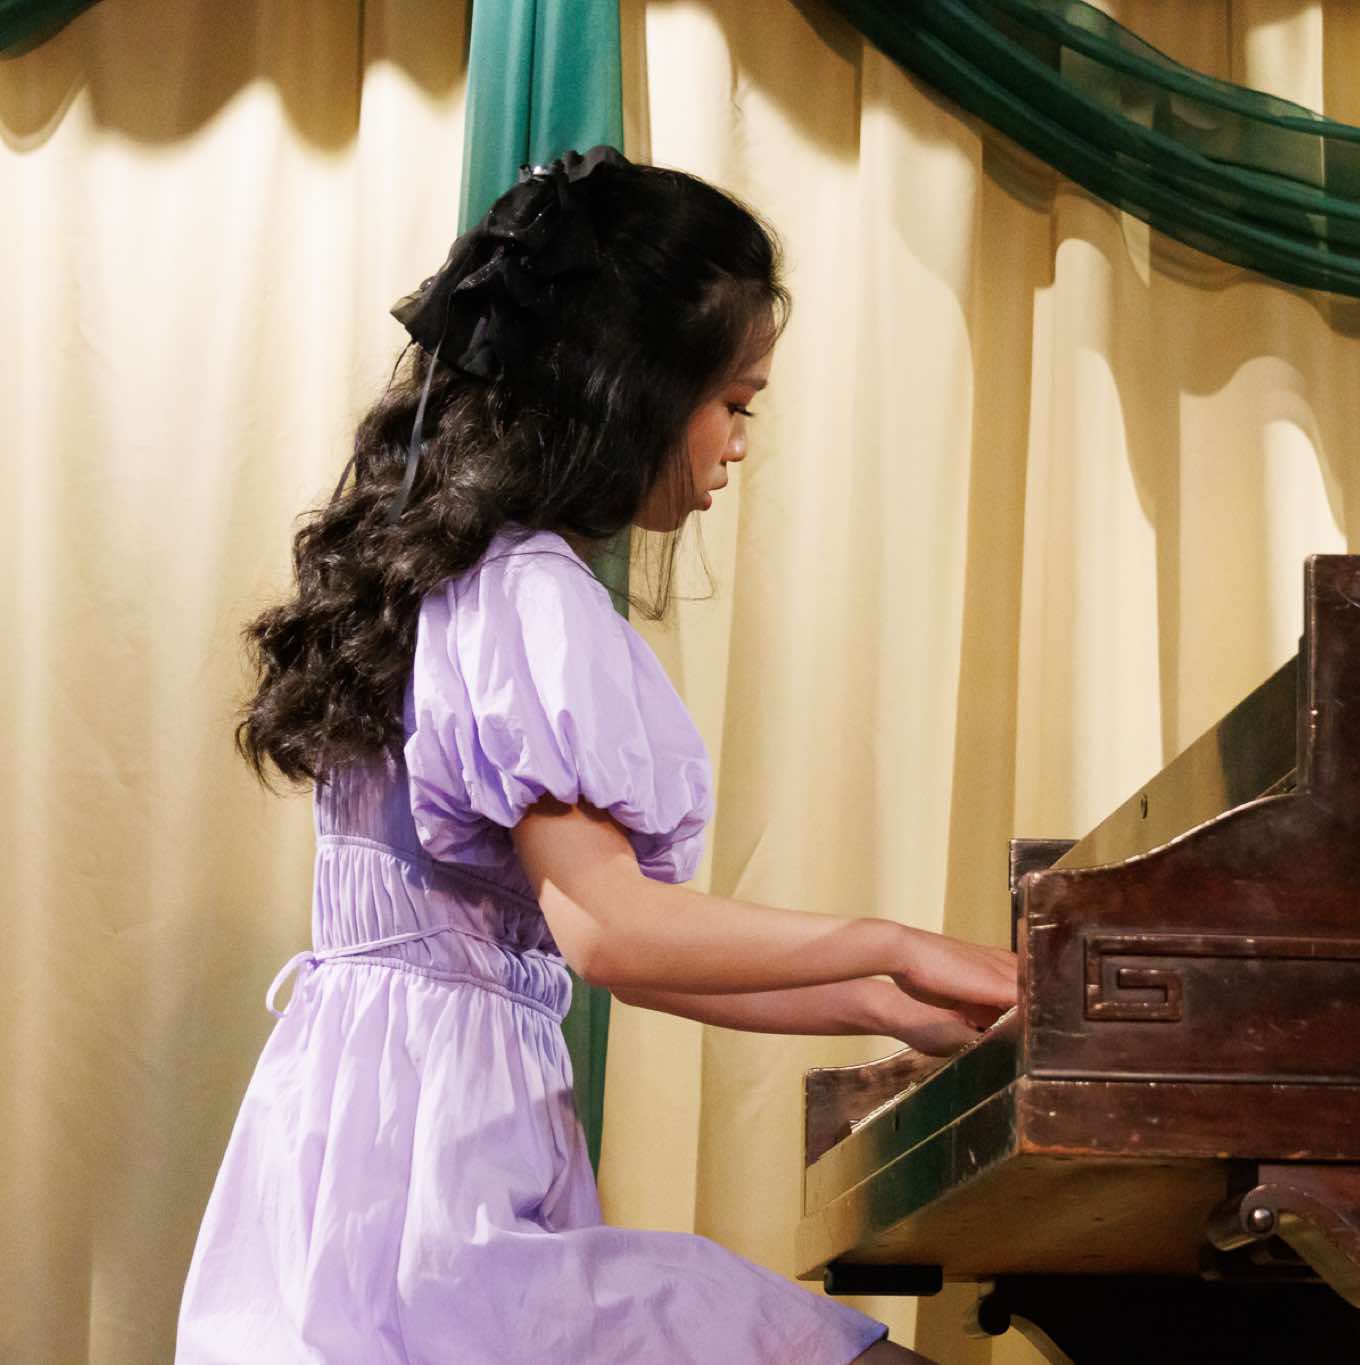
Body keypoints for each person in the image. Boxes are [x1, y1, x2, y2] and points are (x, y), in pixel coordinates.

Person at [177, 146, 1019, 1364]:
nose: (737, 445)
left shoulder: (453, 573)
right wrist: (894, 943)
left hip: (369, 1166)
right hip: (437, 1205)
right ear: (633, 391)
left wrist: (891, 1008)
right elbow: (612, 931)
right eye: (734, 403)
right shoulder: (527, 592)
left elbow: (619, 951)